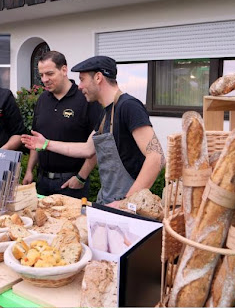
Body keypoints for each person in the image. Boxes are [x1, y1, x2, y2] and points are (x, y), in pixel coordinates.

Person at [22, 55, 164, 207]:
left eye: (82, 79)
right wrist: (46, 144)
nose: (80, 86)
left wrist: (127, 202)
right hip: (109, 200)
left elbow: (157, 157)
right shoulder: (106, 113)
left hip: (125, 208)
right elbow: (87, 149)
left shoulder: (129, 106)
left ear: (98, 77)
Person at [22, 50, 99, 199]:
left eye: (50, 74)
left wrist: (81, 177)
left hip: (71, 183)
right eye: (41, 75)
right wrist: (29, 170)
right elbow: (36, 140)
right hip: (43, 181)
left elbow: (97, 144)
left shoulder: (85, 99)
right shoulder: (42, 99)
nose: (44, 79)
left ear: (64, 70)